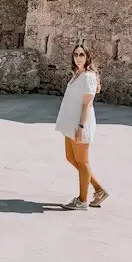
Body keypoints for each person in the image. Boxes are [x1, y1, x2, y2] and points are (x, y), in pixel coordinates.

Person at [54, 43, 108, 210]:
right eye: (76, 54)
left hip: (80, 124)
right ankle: (99, 190)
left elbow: (87, 105)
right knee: (71, 158)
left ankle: (82, 200)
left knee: (83, 162)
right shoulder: (77, 74)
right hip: (70, 123)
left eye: (81, 55)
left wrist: (80, 127)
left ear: (87, 57)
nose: (78, 57)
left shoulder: (88, 77)